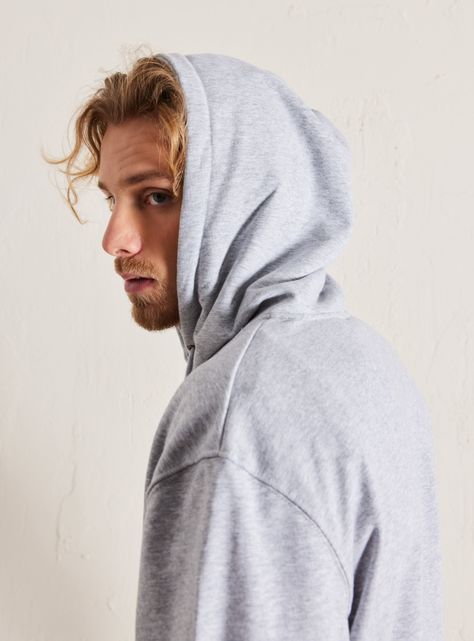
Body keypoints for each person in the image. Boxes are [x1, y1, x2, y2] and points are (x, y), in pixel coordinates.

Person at [43, 50, 445, 640]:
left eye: (156, 196)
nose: (115, 239)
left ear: (240, 199)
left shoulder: (235, 418)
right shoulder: (367, 363)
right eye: (112, 199)